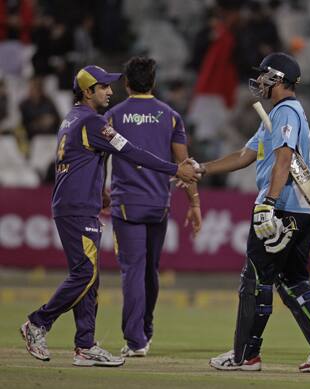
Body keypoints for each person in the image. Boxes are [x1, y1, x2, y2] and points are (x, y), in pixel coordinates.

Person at [20, 65, 198, 367]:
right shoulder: (93, 122)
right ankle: (38, 323)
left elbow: (79, 158)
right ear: (88, 92)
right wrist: (174, 169)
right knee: (85, 275)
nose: (110, 91)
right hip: (77, 209)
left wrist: (97, 187)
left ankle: (86, 344)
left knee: (90, 278)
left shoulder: (74, 117)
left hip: (76, 205)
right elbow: (131, 152)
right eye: (103, 87)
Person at [199, 52, 310, 373]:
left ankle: (245, 355)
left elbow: (284, 158)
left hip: (281, 207)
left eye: (264, 76)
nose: (259, 81)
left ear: (278, 79)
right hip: (302, 209)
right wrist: (201, 168)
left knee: (255, 278)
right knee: (293, 280)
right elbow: (244, 155)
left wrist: (269, 203)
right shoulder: (276, 115)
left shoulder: (286, 112)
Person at [103, 57, 203, 358]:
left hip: (126, 206)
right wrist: (195, 203)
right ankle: (146, 329)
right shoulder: (171, 116)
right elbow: (185, 166)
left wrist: (99, 191)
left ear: (126, 83)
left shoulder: (114, 115)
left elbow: (99, 158)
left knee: (132, 270)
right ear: (154, 83)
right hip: (158, 204)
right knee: (150, 271)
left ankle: (136, 341)